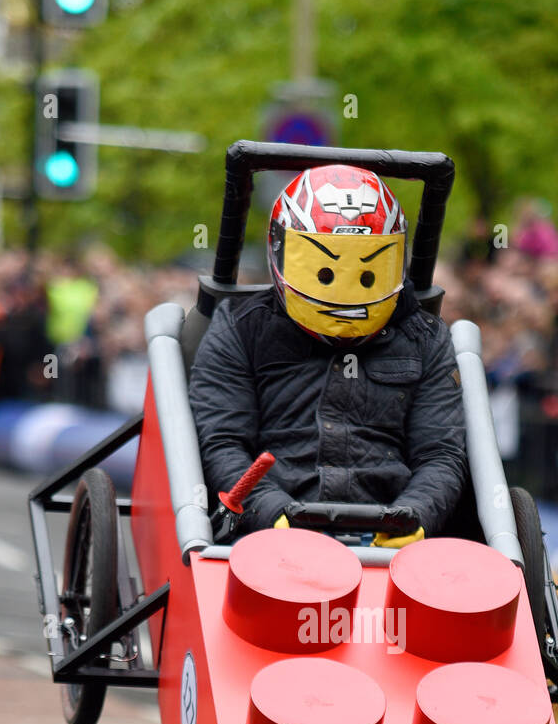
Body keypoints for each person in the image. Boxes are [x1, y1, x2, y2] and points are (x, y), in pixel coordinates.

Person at [189, 164, 467, 545]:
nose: (345, 292)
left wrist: (414, 517)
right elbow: (222, 442)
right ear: (282, 252)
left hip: (395, 536)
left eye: (366, 273)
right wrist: (272, 513)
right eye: (326, 271)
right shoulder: (240, 328)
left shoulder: (427, 339)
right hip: (265, 534)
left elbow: (440, 453)